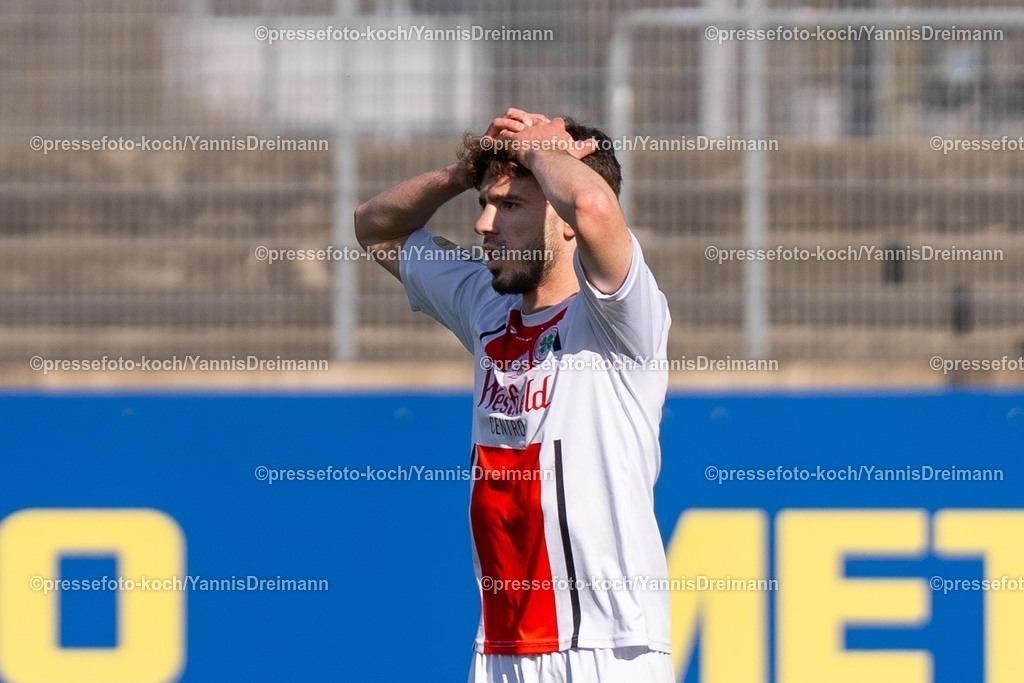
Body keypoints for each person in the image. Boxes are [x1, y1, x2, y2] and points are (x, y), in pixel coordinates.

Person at [354, 108, 674, 683]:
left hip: (609, 647)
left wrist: (537, 150)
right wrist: (463, 172)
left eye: (510, 205)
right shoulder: (485, 303)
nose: (483, 223)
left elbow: (595, 206)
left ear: (566, 223)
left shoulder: (621, 320)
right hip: (503, 648)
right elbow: (375, 228)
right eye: (484, 202)